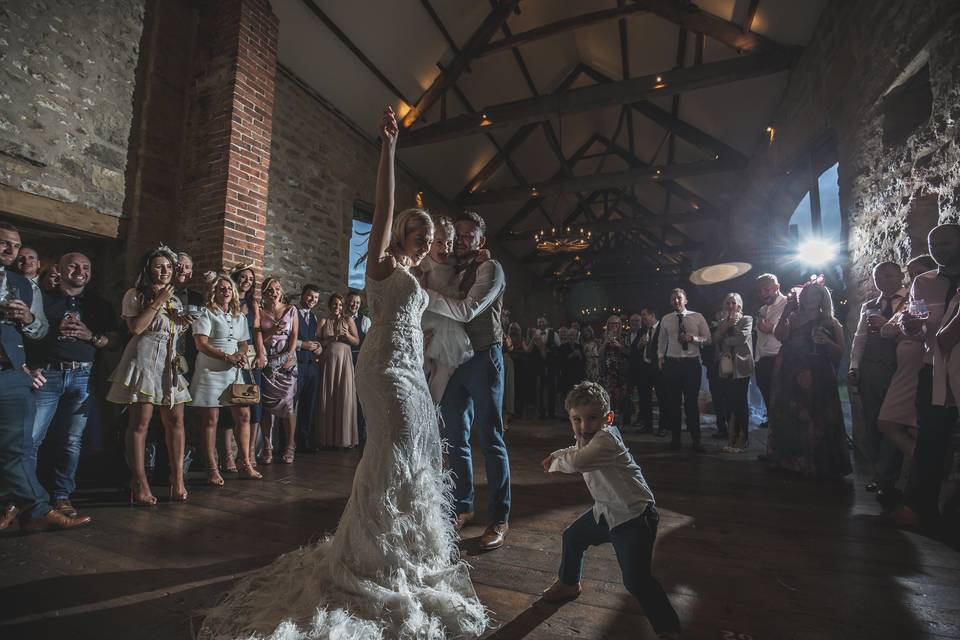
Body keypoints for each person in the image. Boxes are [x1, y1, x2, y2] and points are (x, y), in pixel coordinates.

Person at [201, 106, 488, 639]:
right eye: (417, 235)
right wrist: (389, 148)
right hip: (380, 366)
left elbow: (428, 312)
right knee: (392, 447)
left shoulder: (419, 275)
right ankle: (372, 554)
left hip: (409, 366)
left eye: (429, 239)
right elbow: (381, 205)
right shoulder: (382, 265)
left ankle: (400, 545)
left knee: (412, 451)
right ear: (400, 234)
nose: (424, 244)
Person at [539, 381, 681, 640]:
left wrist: (555, 464)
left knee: (637, 581)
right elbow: (575, 450)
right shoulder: (588, 438)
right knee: (573, 536)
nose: (583, 427)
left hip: (634, 518)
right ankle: (569, 584)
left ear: (608, 418)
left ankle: (668, 629)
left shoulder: (605, 440)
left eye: (592, 418)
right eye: (576, 419)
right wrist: (556, 453)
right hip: (606, 512)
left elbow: (578, 462)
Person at [428, 210, 512, 551]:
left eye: (468, 235)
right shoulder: (451, 268)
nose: (461, 239)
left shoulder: (491, 269)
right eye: (457, 233)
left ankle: (499, 517)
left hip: (484, 358)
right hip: (454, 361)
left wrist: (422, 295)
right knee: (454, 437)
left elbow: (467, 310)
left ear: (481, 241)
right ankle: (463, 506)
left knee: (490, 436)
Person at [0, 222, 85, 533]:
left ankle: (33, 508)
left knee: (18, 449)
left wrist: (28, 318)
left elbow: (39, 331)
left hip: (12, 375)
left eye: (15, 244)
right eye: (3, 243)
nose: (10, 250)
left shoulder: (23, 285)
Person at [27, 252, 120, 518]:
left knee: (71, 441)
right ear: (60, 269)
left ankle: (61, 496)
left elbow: (115, 341)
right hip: (47, 374)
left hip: (82, 376)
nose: (80, 270)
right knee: (31, 439)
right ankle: (26, 497)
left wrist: (91, 336)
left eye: (86, 267)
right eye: (74, 265)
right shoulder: (42, 297)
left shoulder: (98, 304)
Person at [106, 245, 193, 504]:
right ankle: (139, 482)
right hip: (143, 360)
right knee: (140, 422)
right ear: (148, 269)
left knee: (176, 421)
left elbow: (171, 333)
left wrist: (181, 322)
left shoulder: (175, 299)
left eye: (168, 266)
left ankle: (177, 479)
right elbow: (137, 327)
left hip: (169, 363)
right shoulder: (135, 294)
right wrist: (157, 301)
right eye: (159, 266)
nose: (165, 270)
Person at [893, 225, 960, 530]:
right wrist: (910, 326)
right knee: (930, 440)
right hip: (934, 368)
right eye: (933, 243)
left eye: (946, 241)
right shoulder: (924, 281)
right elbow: (919, 328)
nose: (939, 248)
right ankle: (918, 508)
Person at [766, 280, 851, 479]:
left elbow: (839, 353)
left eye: (814, 295)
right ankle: (790, 461)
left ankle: (817, 463)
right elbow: (780, 336)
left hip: (817, 373)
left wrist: (827, 342)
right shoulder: (793, 317)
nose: (809, 298)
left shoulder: (830, 322)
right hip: (789, 371)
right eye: (806, 294)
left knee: (817, 416)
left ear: (823, 298)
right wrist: (787, 310)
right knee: (790, 414)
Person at [874, 255, 937, 508]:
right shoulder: (912, 302)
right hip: (905, 368)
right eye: (912, 274)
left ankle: (925, 475)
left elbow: (928, 334)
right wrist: (901, 324)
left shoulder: (941, 299)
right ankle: (925, 472)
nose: (915, 278)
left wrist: (910, 328)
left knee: (900, 424)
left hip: (922, 367)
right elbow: (888, 330)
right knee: (889, 423)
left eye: (920, 272)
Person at [189, 274, 261, 485]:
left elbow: (244, 343)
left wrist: (239, 355)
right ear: (214, 291)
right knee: (211, 420)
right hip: (210, 370)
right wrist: (226, 356)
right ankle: (211, 467)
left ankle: (244, 462)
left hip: (234, 371)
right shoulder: (205, 313)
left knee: (244, 415)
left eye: (229, 288)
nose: (226, 291)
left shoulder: (238, 316)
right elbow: (201, 344)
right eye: (221, 288)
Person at [848, 262, 905, 492]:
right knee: (872, 423)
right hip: (871, 369)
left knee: (894, 423)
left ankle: (892, 476)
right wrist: (854, 366)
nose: (884, 280)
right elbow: (859, 338)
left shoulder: (910, 301)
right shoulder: (869, 305)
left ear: (900, 276)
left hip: (899, 369)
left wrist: (889, 325)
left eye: (889, 276)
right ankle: (879, 474)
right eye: (879, 277)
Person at [417, 215, 474, 403]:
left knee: (444, 369)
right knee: (429, 368)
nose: (445, 248)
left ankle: (432, 409)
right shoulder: (424, 264)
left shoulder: (452, 264)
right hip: (430, 321)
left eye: (449, 243)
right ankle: (428, 409)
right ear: (429, 243)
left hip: (448, 320)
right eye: (439, 243)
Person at [658, 288, 710, 452]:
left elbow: (708, 339)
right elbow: (661, 341)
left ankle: (696, 441)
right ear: (670, 301)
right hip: (672, 364)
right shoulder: (666, 319)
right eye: (673, 299)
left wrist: (692, 338)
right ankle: (675, 440)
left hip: (691, 364)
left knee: (691, 404)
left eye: (679, 298)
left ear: (685, 300)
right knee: (673, 404)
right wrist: (660, 357)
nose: (676, 301)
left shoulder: (697, 316)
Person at [227, 264, 266, 469]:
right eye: (243, 277)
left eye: (250, 279)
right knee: (230, 401)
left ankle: (249, 452)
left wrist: (260, 353)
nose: (246, 281)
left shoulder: (253, 303)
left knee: (253, 402)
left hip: (250, 353)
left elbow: (257, 330)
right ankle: (227, 455)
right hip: (230, 352)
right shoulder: (227, 298)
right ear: (236, 278)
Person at [258, 277, 298, 464]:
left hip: (287, 363)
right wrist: (272, 331)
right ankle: (267, 446)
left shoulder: (291, 310)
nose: (274, 293)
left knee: (288, 405)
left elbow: (294, 336)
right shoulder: (260, 311)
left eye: (276, 289)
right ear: (264, 293)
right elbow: (259, 337)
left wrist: (288, 356)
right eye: (270, 290)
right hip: (267, 361)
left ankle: (289, 446)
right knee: (266, 407)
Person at [314, 293, 359, 449]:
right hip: (328, 362)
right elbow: (318, 342)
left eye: (340, 305)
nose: (337, 307)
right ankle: (326, 438)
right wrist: (333, 339)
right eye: (334, 304)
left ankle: (343, 439)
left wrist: (346, 334)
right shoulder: (323, 321)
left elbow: (357, 341)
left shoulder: (348, 320)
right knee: (328, 396)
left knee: (343, 395)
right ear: (329, 305)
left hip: (344, 362)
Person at [712, 293, 754, 453]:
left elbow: (741, 339)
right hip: (727, 367)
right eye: (727, 302)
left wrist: (725, 337)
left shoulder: (747, 319)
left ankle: (744, 437)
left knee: (740, 402)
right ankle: (733, 435)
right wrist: (726, 325)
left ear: (739, 305)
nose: (730, 305)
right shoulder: (723, 321)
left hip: (741, 366)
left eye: (733, 303)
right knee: (729, 402)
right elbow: (714, 337)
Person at [755, 273, 788, 429]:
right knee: (768, 400)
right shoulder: (762, 309)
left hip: (779, 359)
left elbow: (790, 331)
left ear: (777, 287)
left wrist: (772, 328)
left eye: (766, 290)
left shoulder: (788, 305)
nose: (763, 294)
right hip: (762, 360)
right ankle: (774, 439)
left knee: (781, 400)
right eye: (760, 291)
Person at [294, 284, 322, 452]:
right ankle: (286, 444)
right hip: (296, 364)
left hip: (312, 366)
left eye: (316, 298)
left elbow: (314, 339)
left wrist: (318, 347)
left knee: (308, 405)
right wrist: (301, 344)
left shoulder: (314, 318)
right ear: (303, 295)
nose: (313, 300)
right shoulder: (292, 313)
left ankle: (304, 442)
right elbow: (285, 338)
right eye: (310, 296)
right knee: (291, 405)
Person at [626, 309, 661, 434]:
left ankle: (663, 428)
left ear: (652, 315)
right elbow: (633, 349)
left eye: (644, 316)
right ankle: (647, 426)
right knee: (645, 399)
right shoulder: (642, 331)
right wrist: (639, 345)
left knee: (661, 398)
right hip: (644, 369)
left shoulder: (662, 328)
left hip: (658, 368)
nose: (643, 319)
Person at [345, 289, 371, 449]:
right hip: (343, 361)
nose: (353, 304)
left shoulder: (365, 321)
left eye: (357, 302)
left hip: (359, 359)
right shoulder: (341, 318)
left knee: (359, 398)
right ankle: (345, 435)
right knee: (345, 398)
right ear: (346, 302)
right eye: (351, 301)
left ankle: (360, 435)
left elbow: (369, 343)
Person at [599, 315, 629, 424]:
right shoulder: (603, 336)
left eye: (616, 323)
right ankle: (608, 422)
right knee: (607, 397)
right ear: (608, 325)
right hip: (607, 372)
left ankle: (619, 422)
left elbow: (629, 353)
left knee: (619, 397)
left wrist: (619, 346)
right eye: (611, 323)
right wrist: (605, 342)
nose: (614, 326)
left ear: (620, 325)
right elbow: (600, 353)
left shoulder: (625, 336)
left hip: (620, 372)